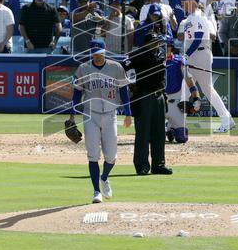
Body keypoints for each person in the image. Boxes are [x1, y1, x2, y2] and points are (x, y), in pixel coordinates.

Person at [69, 40, 132, 203]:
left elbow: (124, 90)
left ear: (104, 52)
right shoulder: (83, 69)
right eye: (94, 53)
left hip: (110, 114)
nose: (97, 55)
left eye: (99, 52)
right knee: (92, 155)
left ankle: (104, 178)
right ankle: (96, 191)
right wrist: (72, 115)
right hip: (90, 115)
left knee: (111, 157)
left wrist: (128, 112)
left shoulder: (116, 67)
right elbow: (77, 93)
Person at [178, 0, 235, 132]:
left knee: (205, 89)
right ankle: (178, 121)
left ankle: (226, 119)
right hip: (194, 55)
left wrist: (187, 55)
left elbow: (198, 39)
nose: (182, 4)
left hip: (200, 54)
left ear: (192, 1)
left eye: (184, 1)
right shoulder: (190, 18)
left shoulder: (199, 16)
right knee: (186, 88)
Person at [125, 32, 171, 176]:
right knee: (143, 133)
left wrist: (164, 94)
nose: (156, 44)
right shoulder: (137, 54)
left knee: (159, 133)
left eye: (157, 41)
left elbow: (162, 75)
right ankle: (142, 165)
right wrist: (132, 84)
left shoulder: (161, 53)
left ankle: (158, 164)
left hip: (159, 95)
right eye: (153, 41)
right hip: (143, 95)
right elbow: (125, 65)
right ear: (146, 43)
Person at [163, 36, 201, 144]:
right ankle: (167, 129)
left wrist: (196, 97)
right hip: (159, 103)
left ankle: (170, 128)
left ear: (171, 47)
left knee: (182, 137)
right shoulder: (153, 62)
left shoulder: (179, 61)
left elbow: (189, 79)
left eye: (166, 46)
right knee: (154, 137)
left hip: (175, 102)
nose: (163, 48)